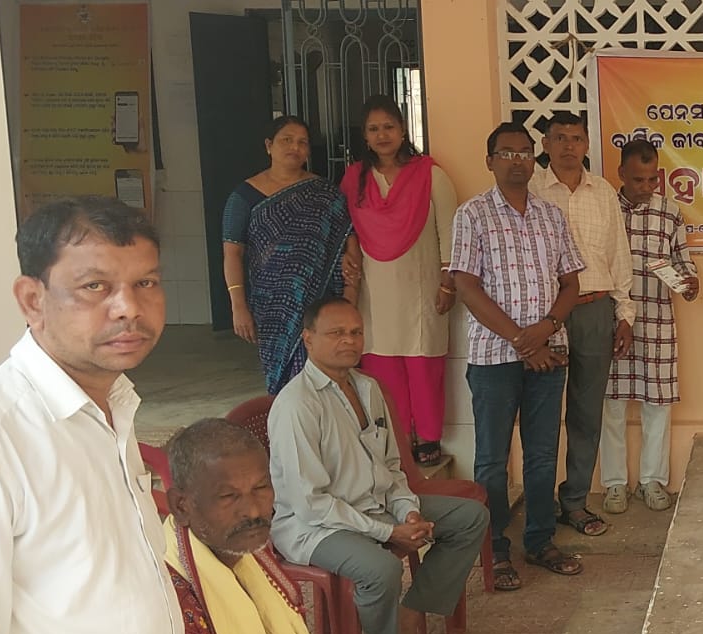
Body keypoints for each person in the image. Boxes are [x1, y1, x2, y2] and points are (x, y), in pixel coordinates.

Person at [0, 196, 193, 634]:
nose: (129, 308)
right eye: (95, 286)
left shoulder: (112, 411)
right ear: (33, 300)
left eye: (146, 282)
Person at [164, 417, 460, 634]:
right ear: (182, 506)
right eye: (229, 496)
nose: (254, 510)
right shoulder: (172, 600)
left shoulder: (252, 561)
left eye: (261, 488)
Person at [267, 297, 488, 634]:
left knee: (469, 517)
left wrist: (409, 511)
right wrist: (388, 531)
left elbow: (389, 468)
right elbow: (311, 503)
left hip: (374, 507)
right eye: (336, 333)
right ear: (308, 339)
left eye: (356, 332)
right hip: (314, 527)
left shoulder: (367, 388)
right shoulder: (297, 405)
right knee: (380, 568)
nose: (349, 341)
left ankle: (407, 618)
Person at [453, 123, 586, 587]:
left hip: (549, 354)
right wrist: (521, 340)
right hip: (494, 358)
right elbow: (466, 286)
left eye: (525, 152)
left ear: (535, 160)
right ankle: (494, 550)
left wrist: (545, 330)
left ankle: (540, 540)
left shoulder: (552, 216)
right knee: (492, 460)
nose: (517, 160)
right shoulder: (472, 215)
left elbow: (571, 283)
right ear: (489, 161)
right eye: (506, 153)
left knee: (542, 455)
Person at [530, 110, 636, 536]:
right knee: (541, 413)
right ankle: (540, 509)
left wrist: (624, 314)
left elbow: (618, 253)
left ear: (587, 145)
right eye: (560, 138)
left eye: (576, 138)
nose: (569, 146)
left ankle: (574, 502)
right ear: (546, 144)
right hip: (547, 314)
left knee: (586, 413)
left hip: (595, 309)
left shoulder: (603, 191)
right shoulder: (532, 190)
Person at [341, 96, 460, 468]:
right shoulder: (354, 179)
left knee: (423, 365)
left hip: (422, 286)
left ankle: (427, 437)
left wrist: (448, 282)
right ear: (365, 136)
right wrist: (347, 255)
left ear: (403, 130)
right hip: (374, 289)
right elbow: (345, 229)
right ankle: (396, 437)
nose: (382, 135)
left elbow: (449, 232)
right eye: (374, 129)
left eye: (389, 127)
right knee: (383, 364)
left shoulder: (431, 174)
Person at [224, 115, 361, 395]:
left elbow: (349, 244)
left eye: (302, 142)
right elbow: (232, 254)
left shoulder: (325, 193)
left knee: (327, 377)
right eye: (286, 140)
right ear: (269, 145)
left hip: (321, 305)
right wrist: (238, 306)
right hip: (272, 307)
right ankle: (289, 422)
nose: (295, 148)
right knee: (283, 382)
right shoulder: (244, 196)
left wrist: (350, 294)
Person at [599, 140, 700, 514]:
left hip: (657, 321)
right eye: (638, 179)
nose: (646, 187)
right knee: (611, 405)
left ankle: (652, 480)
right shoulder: (606, 209)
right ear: (621, 174)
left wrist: (690, 282)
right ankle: (614, 483)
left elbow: (683, 261)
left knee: (657, 404)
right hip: (611, 321)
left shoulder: (669, 213)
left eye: (652, 179)